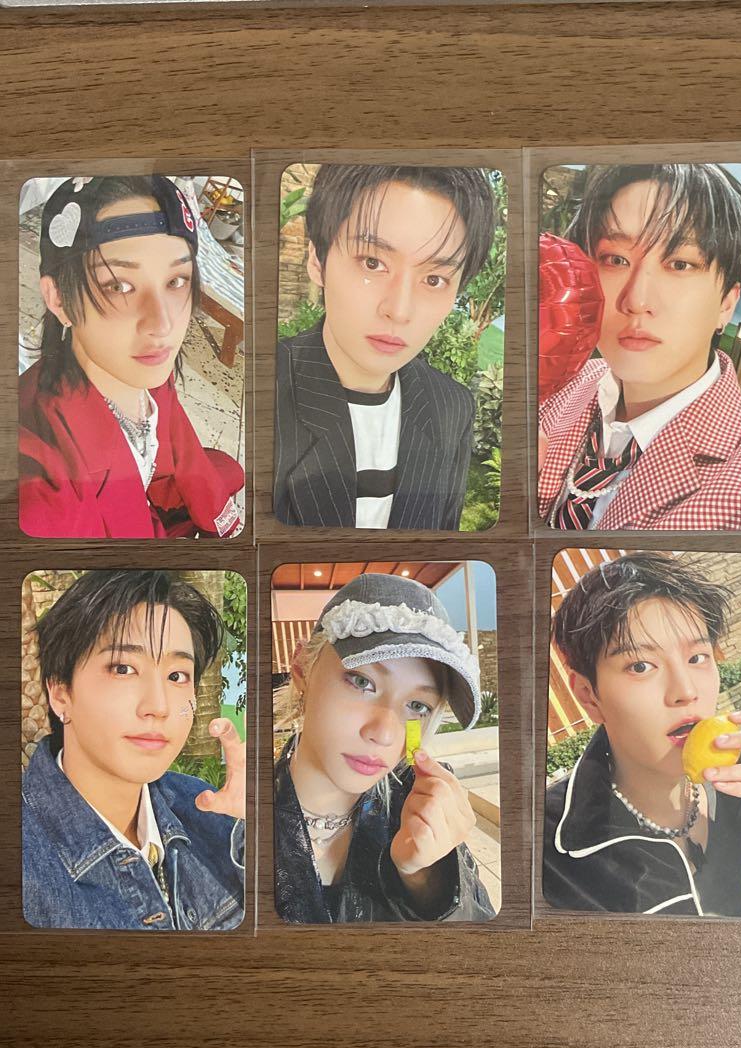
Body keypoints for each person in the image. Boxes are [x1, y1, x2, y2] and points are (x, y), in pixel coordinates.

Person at [543, 552, 741, 916]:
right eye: (640, 666)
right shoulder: (549, 846)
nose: (685, 691)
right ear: (589, 696)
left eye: (697, 658)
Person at [537, 163, 741, 531]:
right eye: (616, 260)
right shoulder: (559, 387)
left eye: (679, 264)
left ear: (727, 302)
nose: (636, 300)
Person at [19, 175, 244, 539]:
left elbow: (182, 445)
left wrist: (221, 521)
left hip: (148, 495)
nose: (163, 324)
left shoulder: (142, 366)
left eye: (176, 281)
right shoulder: (46, 483)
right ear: (59, 298)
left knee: (225, 474)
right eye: (119, 286)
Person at [274, 165, 497, 530]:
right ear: (318, 260)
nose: (399, 310)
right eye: (372, 263)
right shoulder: (263, 392)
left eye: (434, 279)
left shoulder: (452, 408)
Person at [22, 570, 246, 930]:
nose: (158, 706)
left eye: (177, 676)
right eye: (123, 669)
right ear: (60, 692)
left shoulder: (213, 813)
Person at [274, 572, 495, 923]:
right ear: (302, 668)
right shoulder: (236, 820)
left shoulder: (419, 813)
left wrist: (426, 881)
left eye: (417, 706)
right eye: (362, 682)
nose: (385, 734)